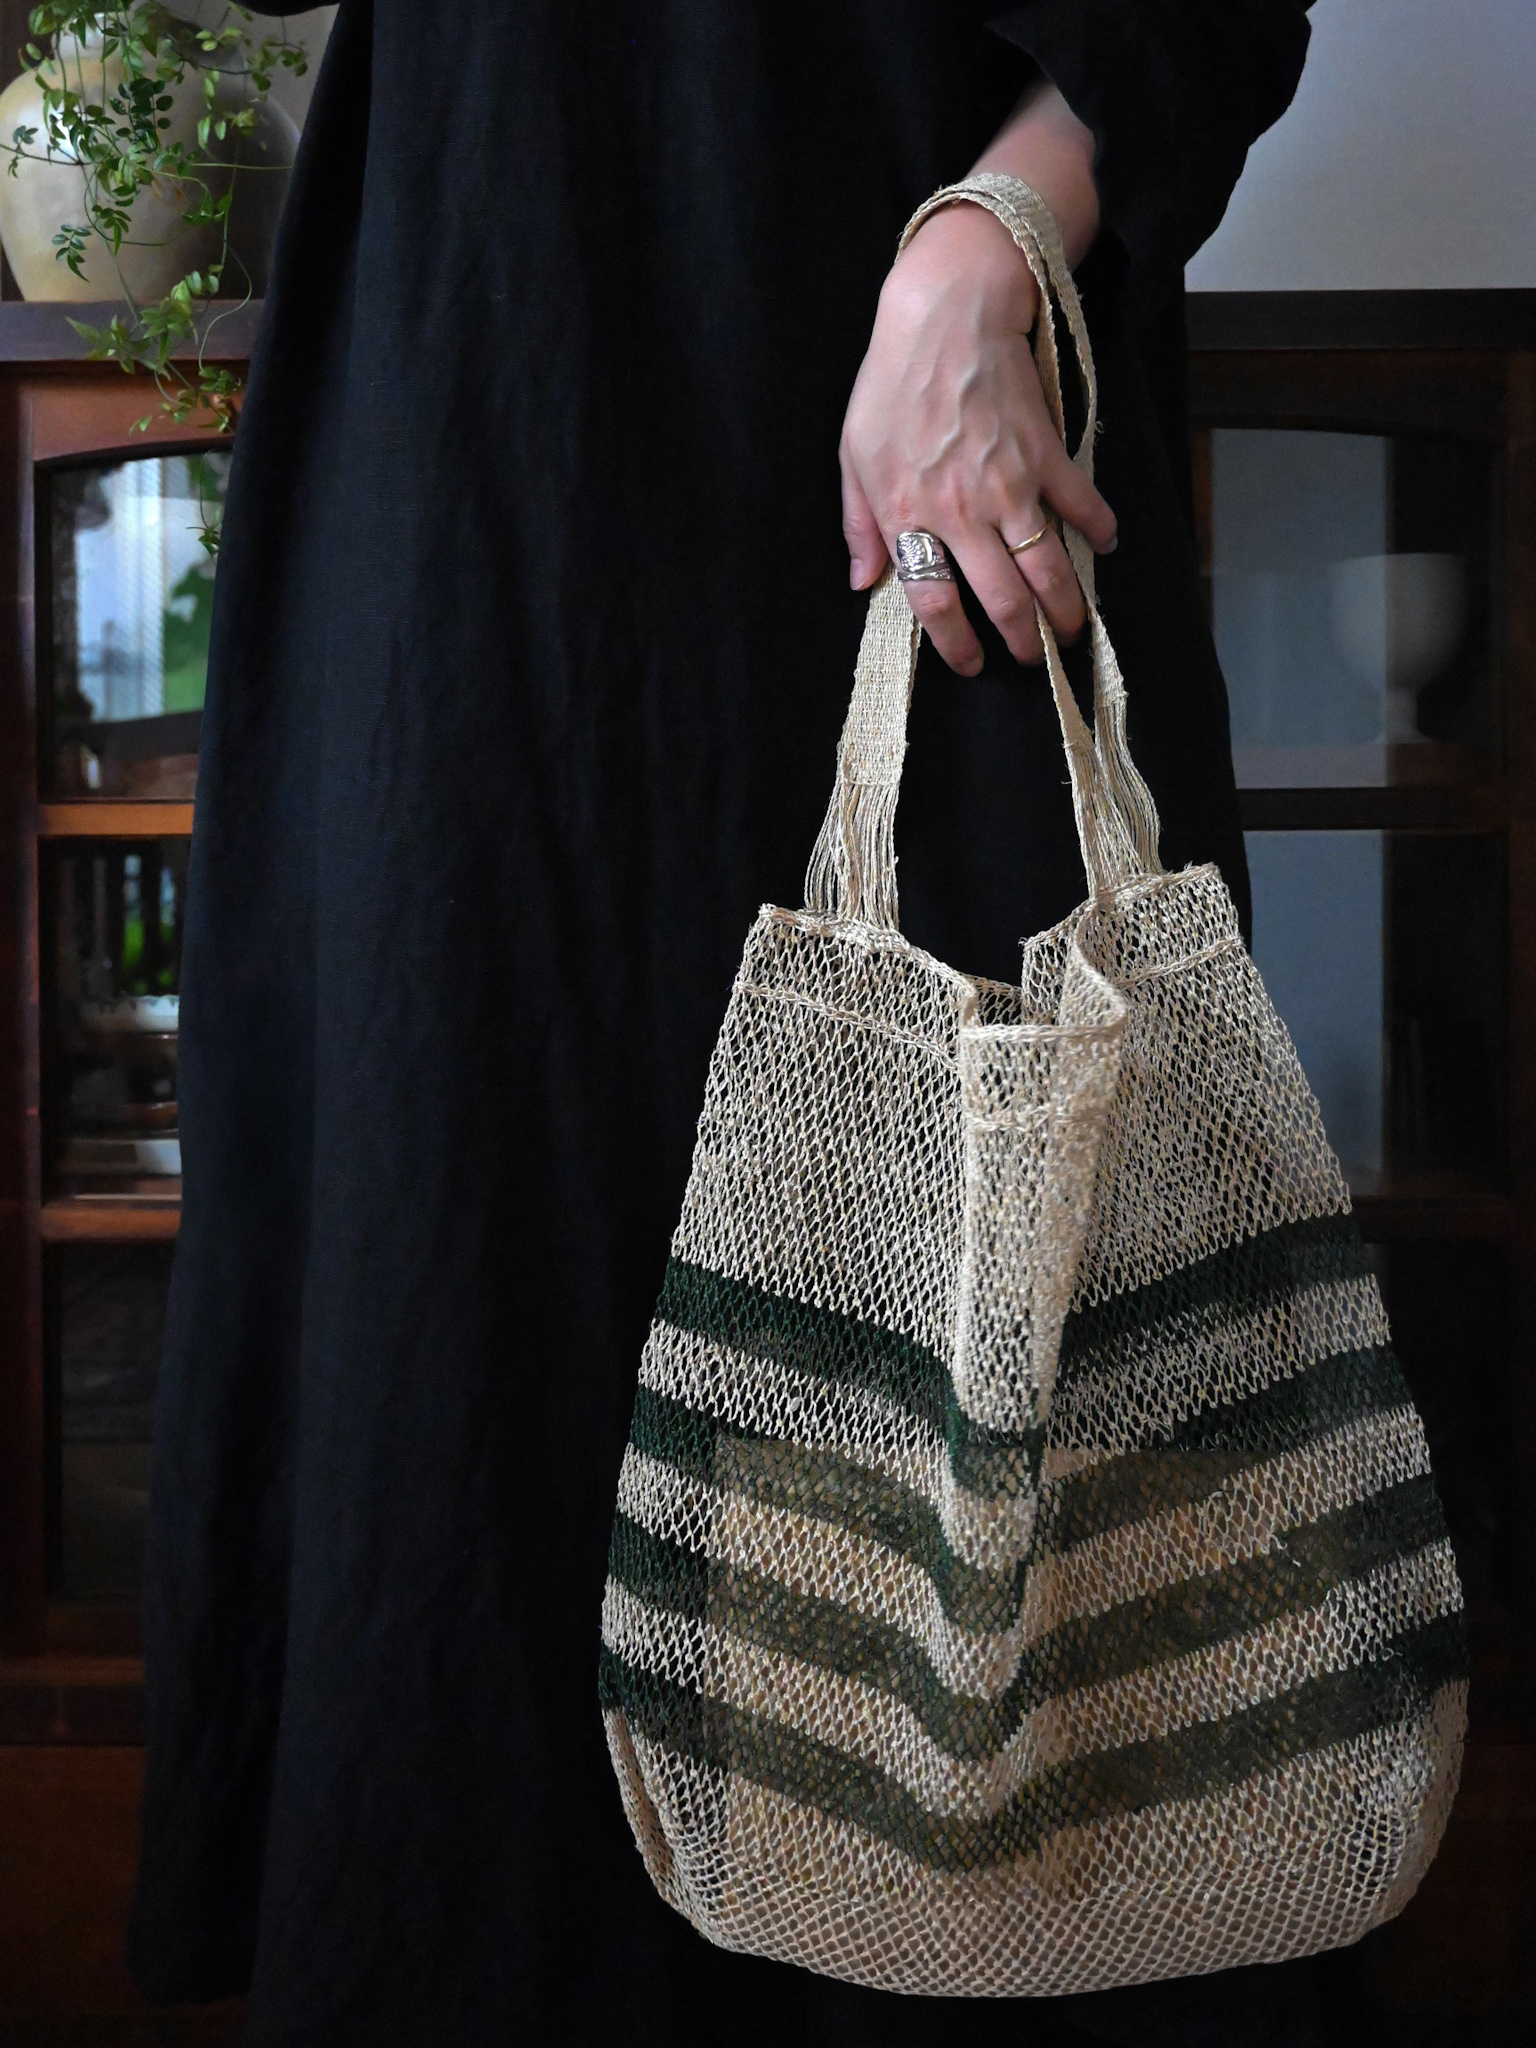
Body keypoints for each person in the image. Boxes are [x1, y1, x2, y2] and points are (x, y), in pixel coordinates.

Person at [129, 5, 1322, 2043]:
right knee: (473, 1297)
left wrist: (996, 237)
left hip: (906, 443)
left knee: (967, 1377)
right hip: (479, 453)